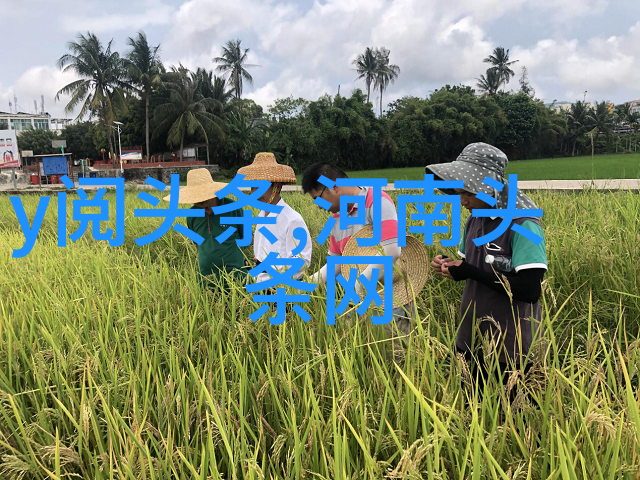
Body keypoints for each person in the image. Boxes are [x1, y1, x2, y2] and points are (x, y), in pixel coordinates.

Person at [426, 142, 548, 402]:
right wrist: (449, 266)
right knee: (473, 412)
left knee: (514, 419)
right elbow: (473, 266)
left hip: (512, 346)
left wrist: (471, 271)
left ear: (489, 187)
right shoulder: (474, 220)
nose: (462, 201)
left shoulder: (524, 225)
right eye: (458, 192)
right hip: (472, 337)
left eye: (467, 193)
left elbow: (529, 290)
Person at [301, 163, 417, 346]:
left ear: (333, 186)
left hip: (389, 301)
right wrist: (304, 285)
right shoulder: (336, 219)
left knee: (392, 357)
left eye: (318, 198)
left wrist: (360, 283)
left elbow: (392, 251)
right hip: (357, 300)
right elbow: (336, 262)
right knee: (362, 358)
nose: (318, 206)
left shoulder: (376, 201)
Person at [164, 168, 249, 292]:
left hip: (236, 280)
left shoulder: (234, 209)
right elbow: (197, 244)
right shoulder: (192, 215)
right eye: (198, 203)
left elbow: (246, 239)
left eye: (206, 201)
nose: (203, 207)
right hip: (206, 281)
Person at [237, 152, 312, 287]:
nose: (254, 192)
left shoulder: (292, 220)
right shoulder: (261, 215)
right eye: (252, 187)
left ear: (276, 187)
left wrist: (270, 267)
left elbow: (302, 261)